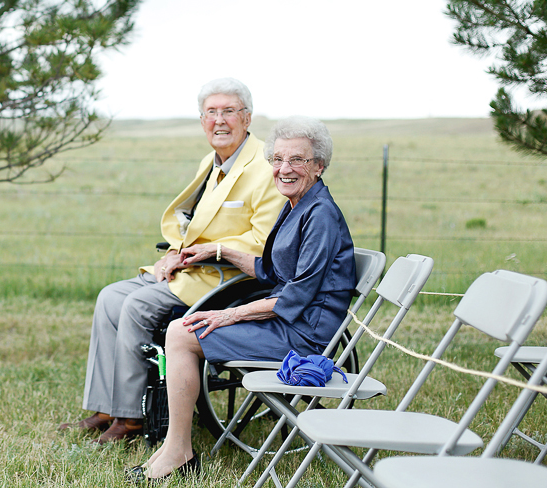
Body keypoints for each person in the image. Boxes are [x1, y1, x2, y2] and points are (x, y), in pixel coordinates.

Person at [128, 116, 356, 482]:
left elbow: (293, 297)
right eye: (277, 159)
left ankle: (177, 452)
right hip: (288, 323)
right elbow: (269, 271)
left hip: (303, 337)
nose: (284, 169)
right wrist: (218, 250)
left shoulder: (320, 216)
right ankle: (175, 448)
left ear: (319, 165)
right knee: (182, 329)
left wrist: (228, 315)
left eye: (297, 160)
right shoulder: (297, 205)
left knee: (181, 333)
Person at [60, 78, 283, 444]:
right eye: (211, 112)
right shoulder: (211, 163)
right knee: (109, 297)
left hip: (226, 278)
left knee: (136, 305)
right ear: (202, 121)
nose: (219, 120)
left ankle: (130, 418)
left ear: (247, 117)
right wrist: (173, 253)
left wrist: (210, 250)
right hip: (190, 267)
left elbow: (264, 242)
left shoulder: (263, 166)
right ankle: (106, 407)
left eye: (229, 111)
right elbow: (193, 222)